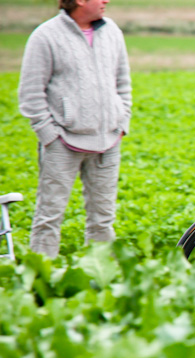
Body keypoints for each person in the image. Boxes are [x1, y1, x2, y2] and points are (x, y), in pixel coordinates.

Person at [18, 0, 131, 259]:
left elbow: (123, 82)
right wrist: (50, 136)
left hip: (108, 142)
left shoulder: (112, 31)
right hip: (63, 144)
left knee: (103, 220)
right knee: (49, 217)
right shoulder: (45, 36)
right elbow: (30, 94)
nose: (106, 1)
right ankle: (40, 283)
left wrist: (121, 124)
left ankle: (100, 281)